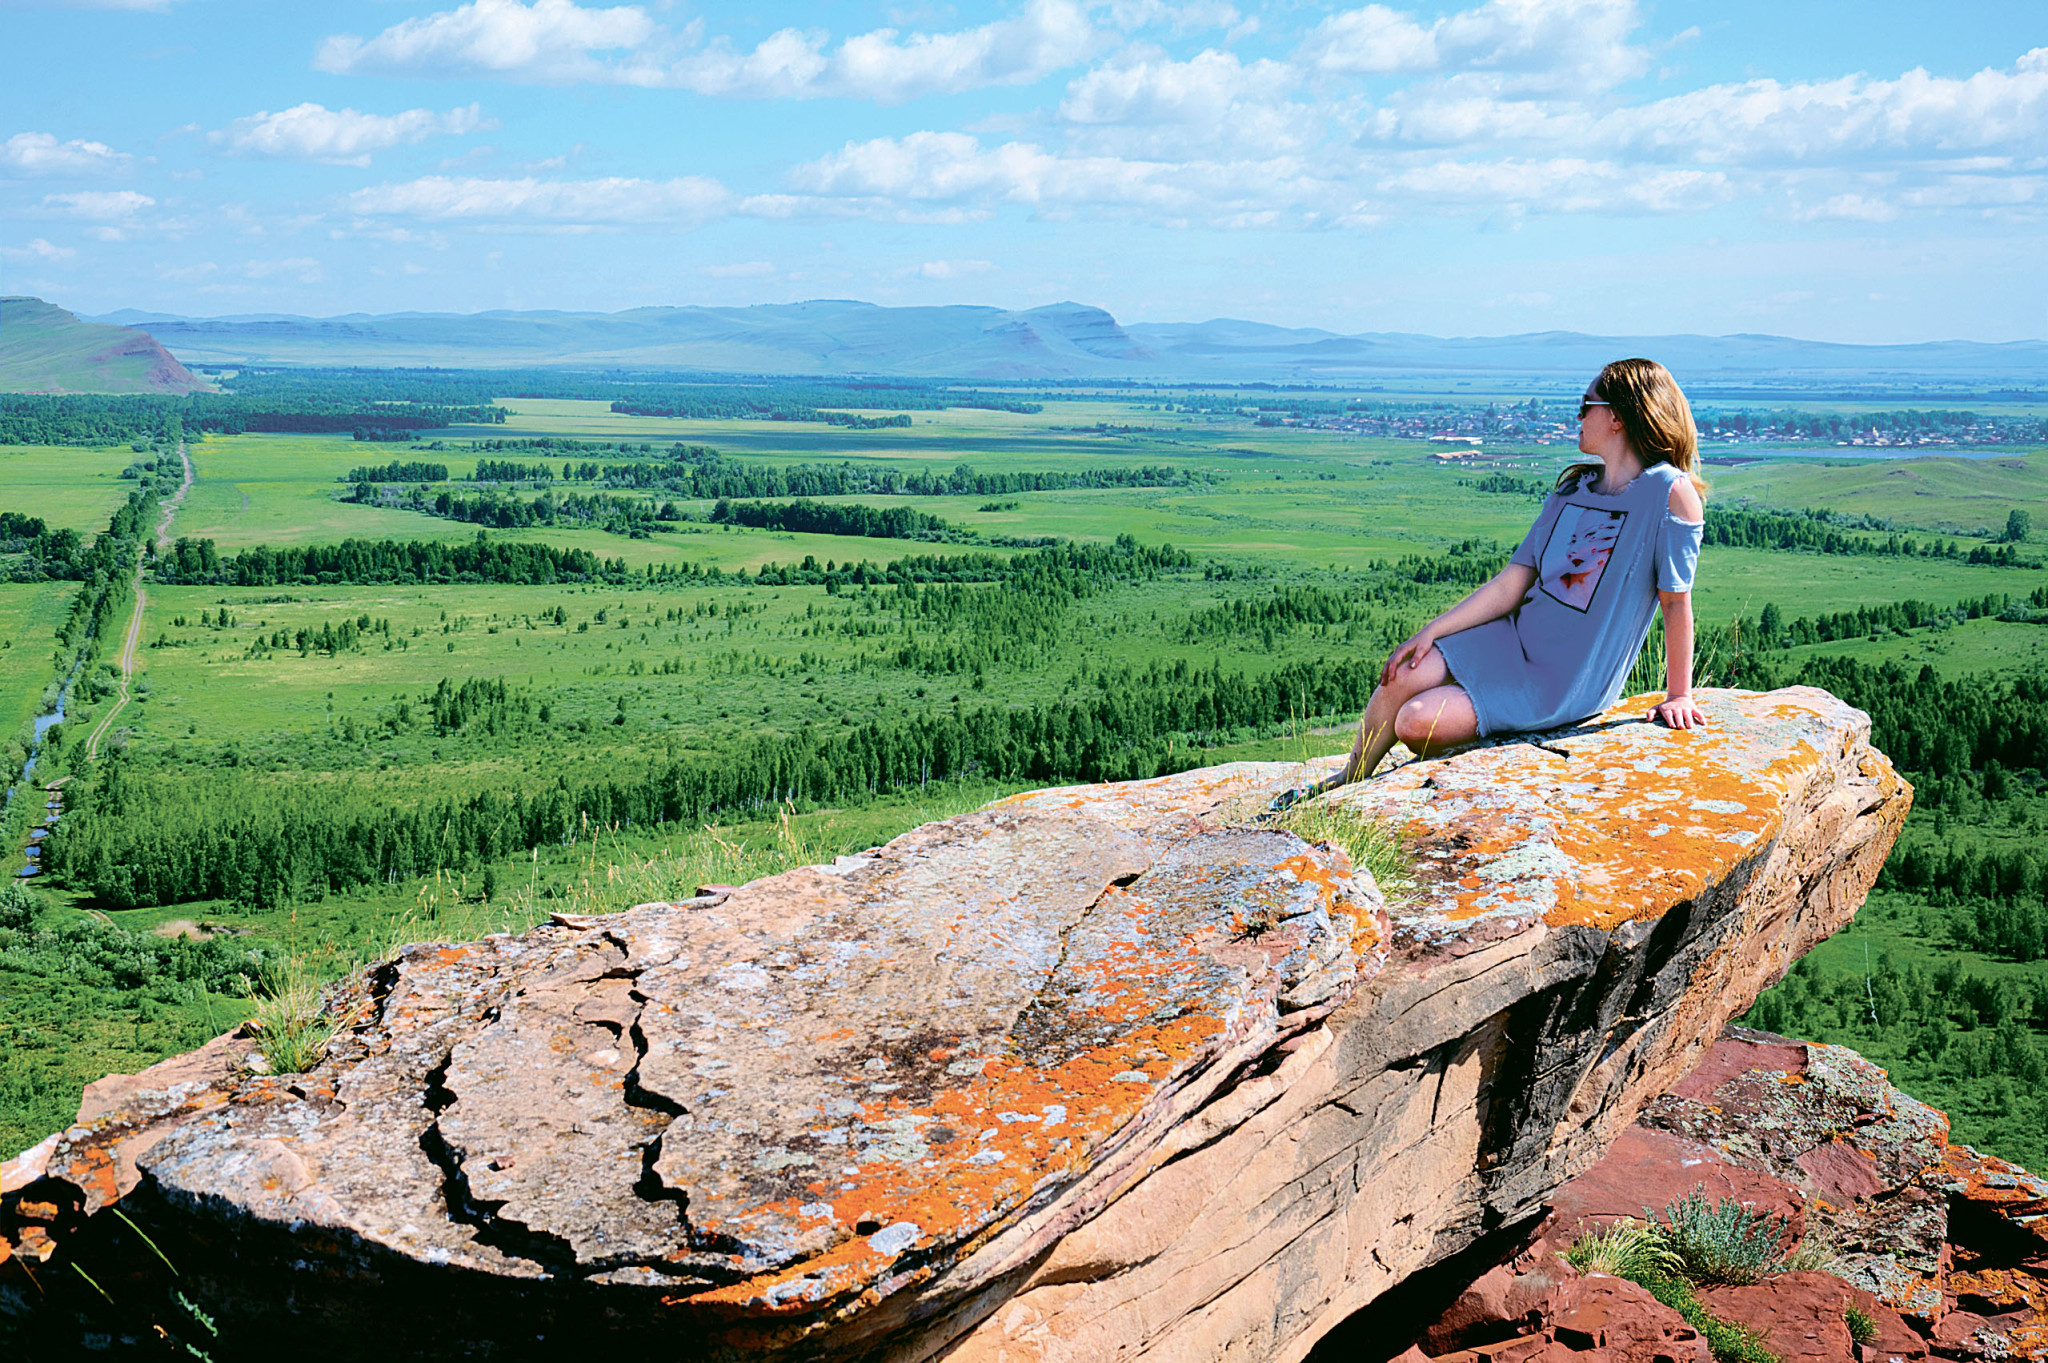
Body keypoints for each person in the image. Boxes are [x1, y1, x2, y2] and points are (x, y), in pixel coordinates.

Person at [1320, 357, 1707, 792]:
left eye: (1586, 406)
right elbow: (1512, 585)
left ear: (1617, 416)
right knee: (1403, 673)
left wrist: (1679, 695)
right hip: (1513, 640)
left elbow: (1675, 600)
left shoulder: (1670, 494)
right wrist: (1430, 632)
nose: (1578, 417)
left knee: (1414, 721)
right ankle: (1350, 779)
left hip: (1561, 682)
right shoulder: (1573, 490)